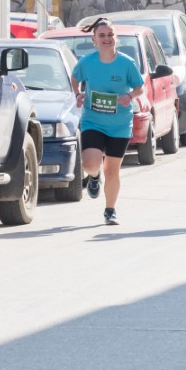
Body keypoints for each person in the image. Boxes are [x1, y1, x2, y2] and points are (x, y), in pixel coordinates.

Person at [69, 17, 144, 226]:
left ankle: (110, 210)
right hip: (93, 120)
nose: (106, 39)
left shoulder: (126, 63)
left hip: (120, 124)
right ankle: (94, 176)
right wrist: (78, 93)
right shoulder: (87, 62)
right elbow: (74, 78)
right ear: (94, 39)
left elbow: (140, 87)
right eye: (101, 35)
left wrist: (130, 96)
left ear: (116, 38)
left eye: (110, 35)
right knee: (90, 164)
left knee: (112, 169)